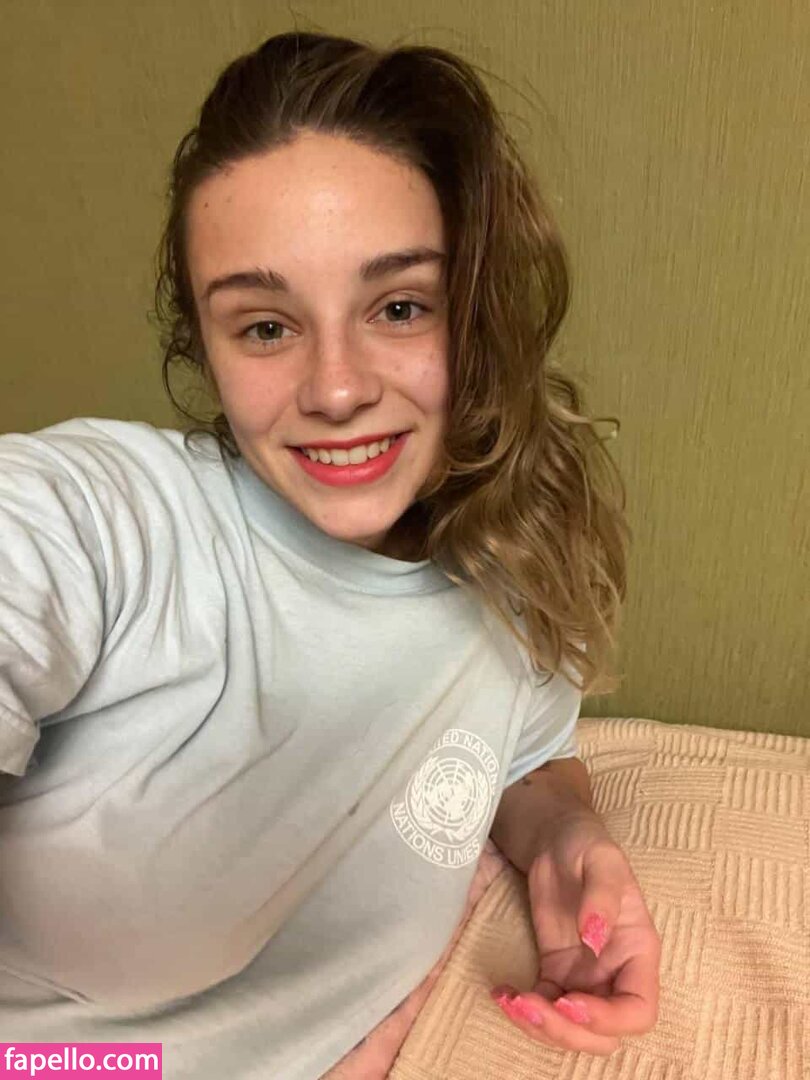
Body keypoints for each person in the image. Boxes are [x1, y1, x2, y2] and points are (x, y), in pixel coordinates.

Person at [0, 29, 661, 1079]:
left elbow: (522, 757)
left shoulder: (510, 564)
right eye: (266, 327)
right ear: (205, 347)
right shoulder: (103, 525)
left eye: (399, 308)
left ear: (476, 315)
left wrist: (567, 840)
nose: (338, 388)